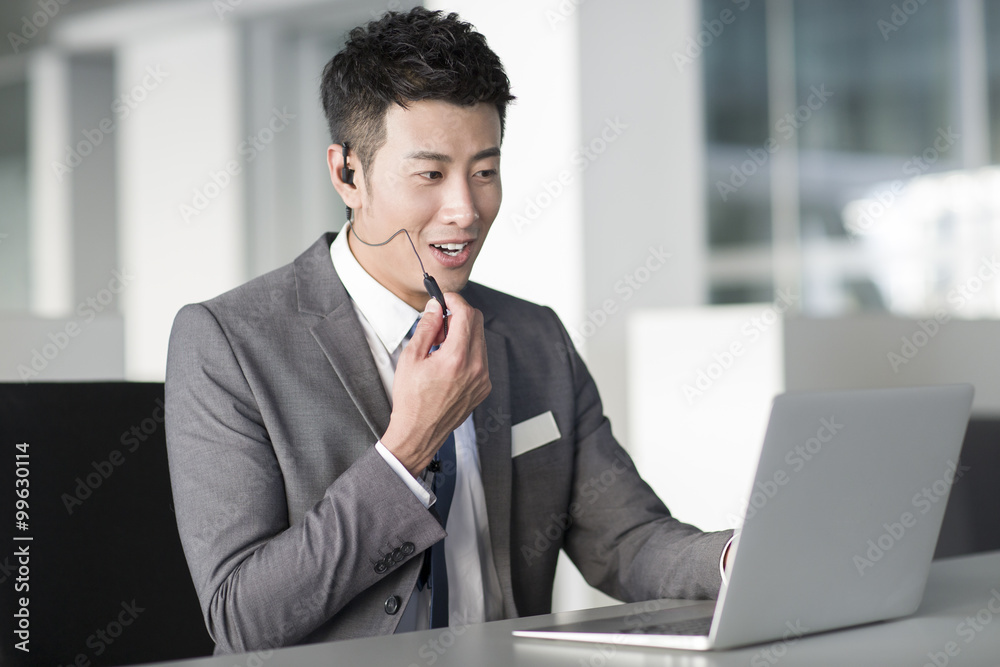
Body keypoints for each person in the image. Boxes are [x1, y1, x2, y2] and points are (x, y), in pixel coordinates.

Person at [165, 7, 733, 655]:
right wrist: (407, 448)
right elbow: (242, 617)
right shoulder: (227, 342)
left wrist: (736, 557)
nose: (465, 209)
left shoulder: (533, 335)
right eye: (431, 174)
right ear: (348, 173)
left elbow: (628, 541)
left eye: (485, 171)